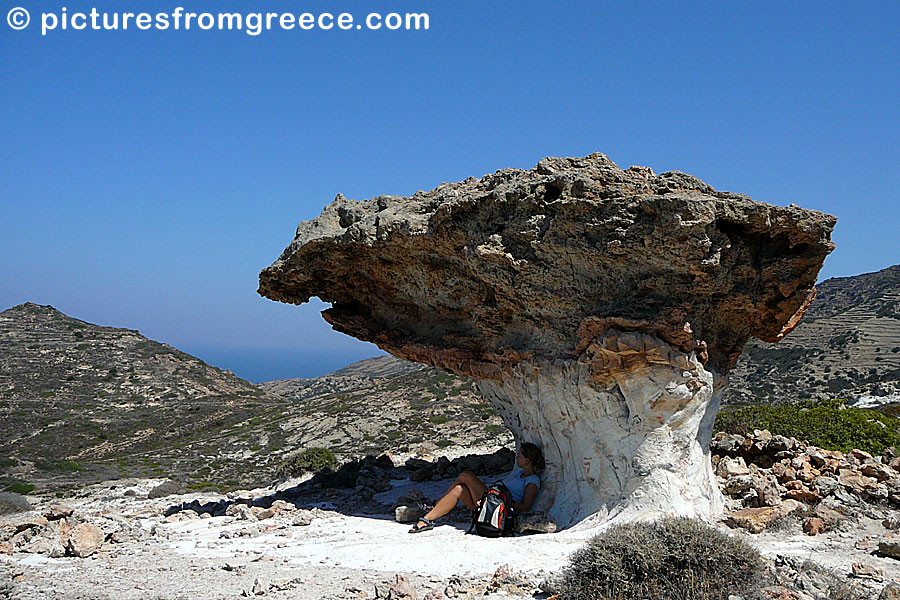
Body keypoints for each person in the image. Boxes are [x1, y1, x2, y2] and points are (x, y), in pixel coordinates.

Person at [408, 442, 545, 533]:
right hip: (493, 503)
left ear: (527, 461)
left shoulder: (532, 480)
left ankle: (435, 504)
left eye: (519, 456)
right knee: (459, 489)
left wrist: (506, 499)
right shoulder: (520, 474)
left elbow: (525, 507)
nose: (517, 458)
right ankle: (426, 520)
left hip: (499, 507)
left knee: (466, 475)